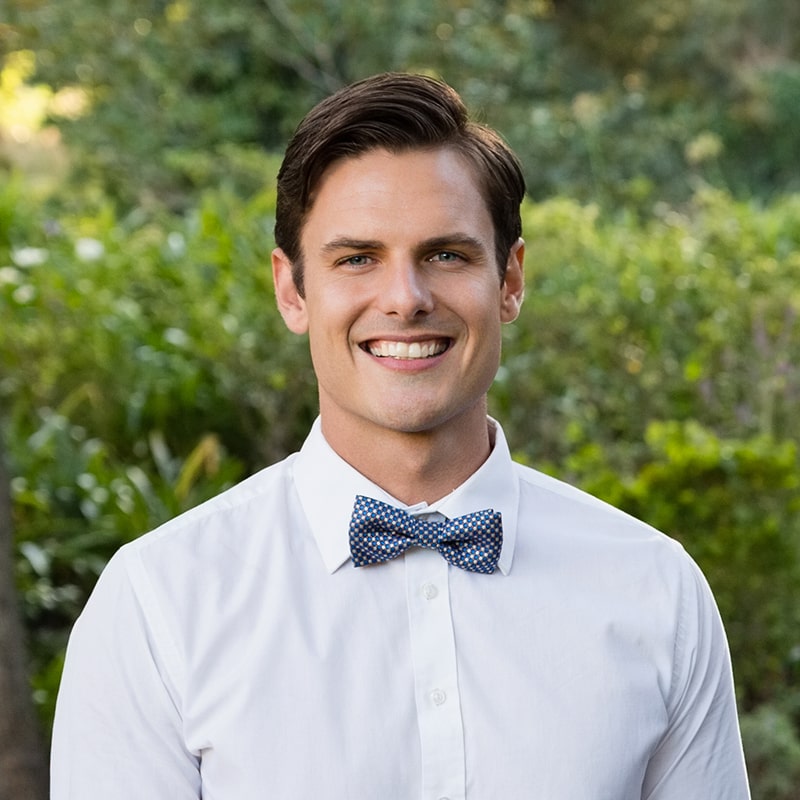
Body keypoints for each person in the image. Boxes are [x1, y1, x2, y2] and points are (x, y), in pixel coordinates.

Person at [51, 72, 750, 799]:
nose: (405, 300)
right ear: (292, 291)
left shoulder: (655, 590)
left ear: (510, 281)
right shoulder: (159, 602)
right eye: (357, 258)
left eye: (446, 254)